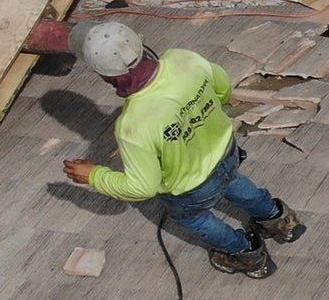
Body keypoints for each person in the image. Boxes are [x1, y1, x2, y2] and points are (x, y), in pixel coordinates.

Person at [63, 20, 304, 276]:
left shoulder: (133, 125)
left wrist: (95, 175)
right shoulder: (183, 59)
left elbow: (142, 188)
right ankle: (278, 219)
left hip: (192, 188)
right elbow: (222, 88)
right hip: (226, 151)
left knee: (195, 217)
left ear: (107, 76)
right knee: (233, 181)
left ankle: (246, 254)